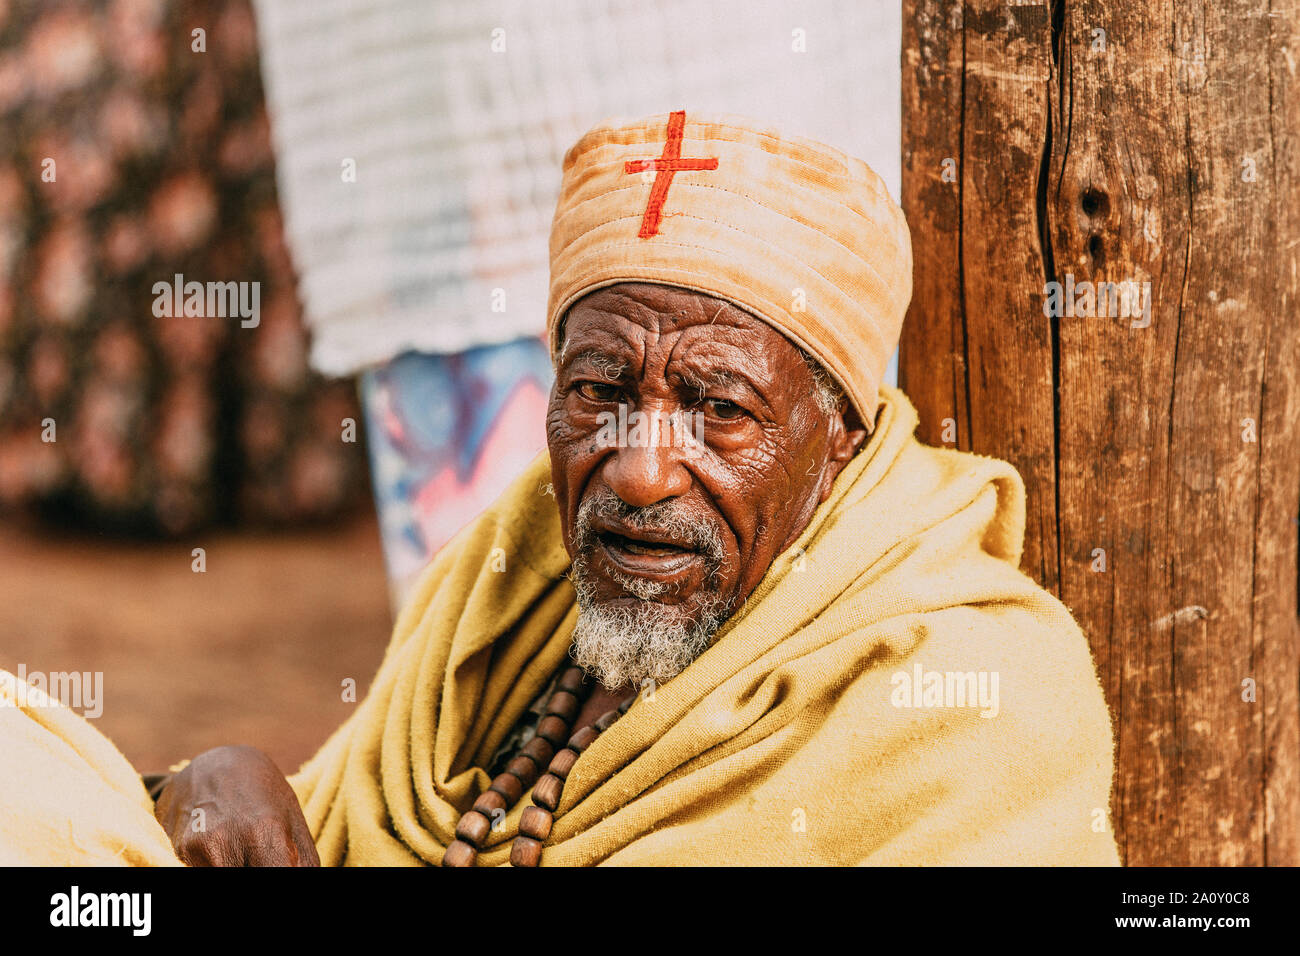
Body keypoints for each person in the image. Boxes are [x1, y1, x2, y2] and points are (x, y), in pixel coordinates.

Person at [0, 111, 1119, 866]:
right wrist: (214, 776)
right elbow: (331, 829)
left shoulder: (979, 691)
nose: (636, 466)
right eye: (598, 388)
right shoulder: (517, 572)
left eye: (719, 409)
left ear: (840, 435)